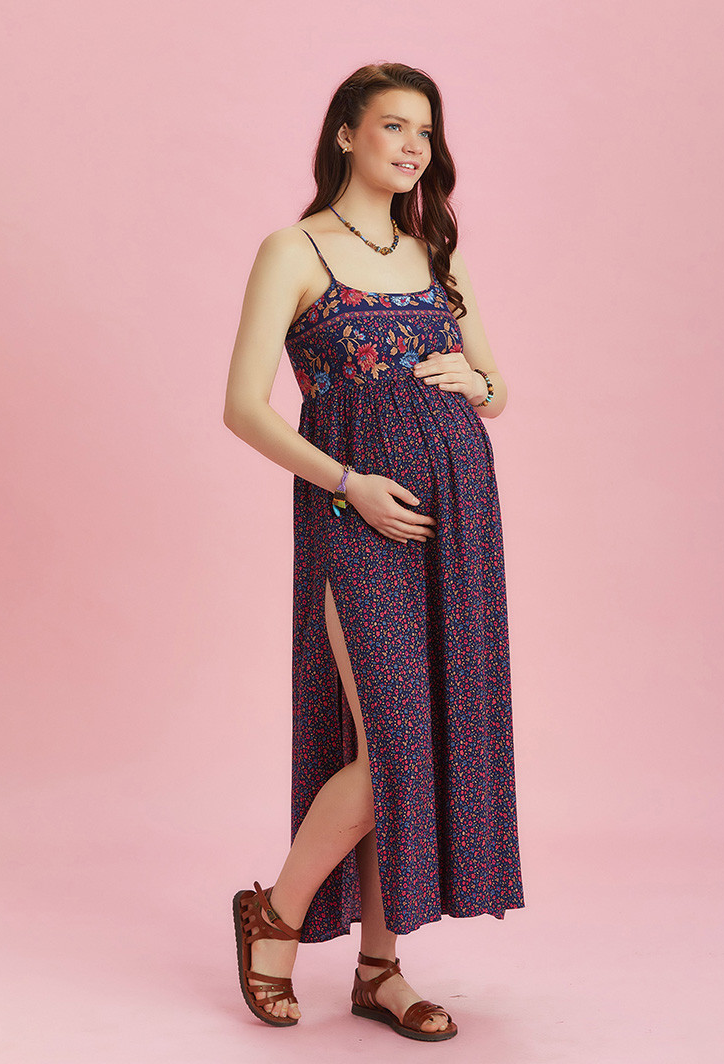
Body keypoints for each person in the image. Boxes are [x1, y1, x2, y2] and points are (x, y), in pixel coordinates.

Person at [223, 61, 524, 1042]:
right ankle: (272, 917)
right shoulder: (295, 248)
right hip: (356, 519)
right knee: (394, 743)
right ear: (345, 134)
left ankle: (379, 970)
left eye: (425, 132)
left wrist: (477, 385)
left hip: (457, 519)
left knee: (421, 744)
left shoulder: (437, 251)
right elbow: (243, 407)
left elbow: (496, 386)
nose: (413, 146)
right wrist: (348, 482)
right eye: (394, 126)